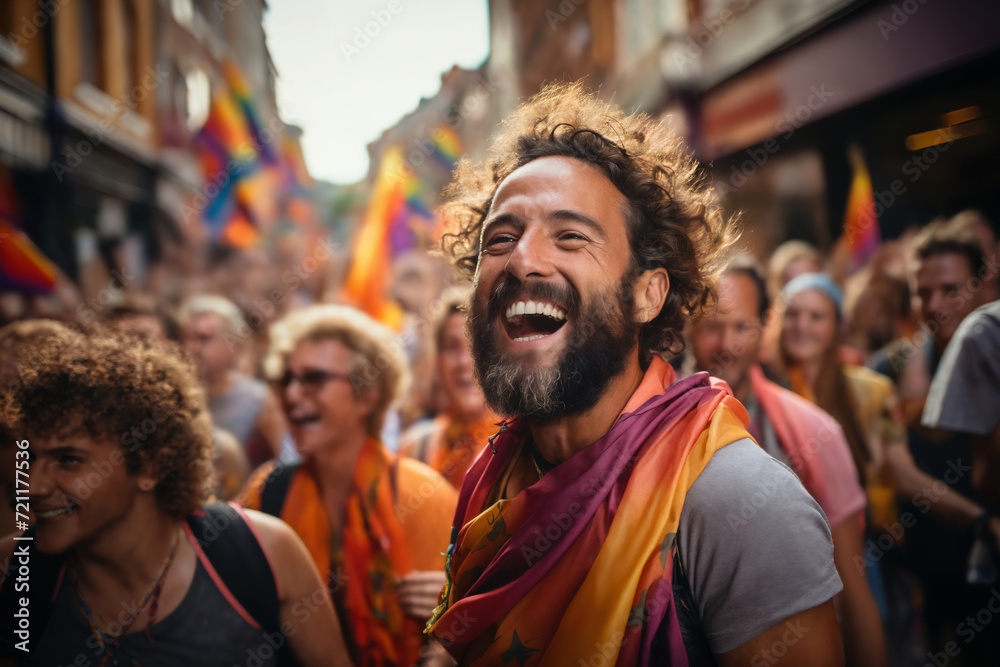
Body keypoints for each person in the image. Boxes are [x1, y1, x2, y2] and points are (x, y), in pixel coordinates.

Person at [425, 82, 845, 666]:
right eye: (502, 238)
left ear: (648, 295)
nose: (523, 259)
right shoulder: (490, 481)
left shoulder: (738, 504)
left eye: (570, 236)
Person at [0, 325, 349, 665]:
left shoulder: (261, 552)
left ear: (150, 465)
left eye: (69, 460)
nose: (33, 485)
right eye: (28, 457)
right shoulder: (16, 571)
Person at [688, 259, 885, 666]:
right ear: (687, 325)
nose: (726, 342)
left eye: (742, 326)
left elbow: (849, 578)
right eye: (711, 325)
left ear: (764, 327)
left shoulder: (815, 432)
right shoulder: (648, 424)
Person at [239, 304, 458, 667]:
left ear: (368, 394)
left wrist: (454, 607)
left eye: (313, 379)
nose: (292, 395)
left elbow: (481, 627)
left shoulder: (422, 495)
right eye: (285, 379)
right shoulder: (267, 490)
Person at [400, 286, 498, 489]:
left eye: (475, 346)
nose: (464, 361)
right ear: (436, 363)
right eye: (452, 347)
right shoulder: (414, 451)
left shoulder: (526, 447)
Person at [181, 295, 286, 469]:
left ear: (234, 344)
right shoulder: (175, 396)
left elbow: (285, 458)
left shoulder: (257, 398)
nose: (192, 348)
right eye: (186, 338)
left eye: (203, 338)